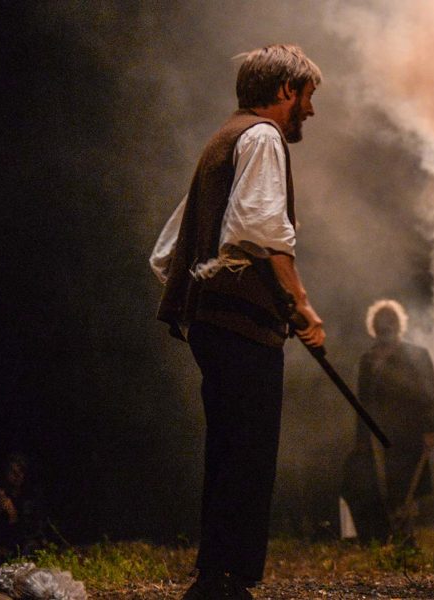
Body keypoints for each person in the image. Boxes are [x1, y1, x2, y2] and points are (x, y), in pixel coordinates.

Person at [150, 44, 327, 600]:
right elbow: (260, 229)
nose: (310, 112)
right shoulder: (262, 137)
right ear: (284, 92)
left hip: (214, 320)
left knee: (230, 447)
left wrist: (199, 291)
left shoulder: (223, 139)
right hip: (239, 322)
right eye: (307, 97)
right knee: (249, 451)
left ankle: (213, 577)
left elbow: (170, 249)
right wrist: (302, 305)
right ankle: (229, 579)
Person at [340, 300, 434, 543]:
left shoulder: (417, 355)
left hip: (409, 431)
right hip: (378, 435)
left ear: (398, 324)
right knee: (377, 486)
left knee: (406, 487)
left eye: (390, 322)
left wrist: (429, 430)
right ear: (374, 327)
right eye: (381, 323)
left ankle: (405, 540)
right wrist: (361, 439)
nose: (386, 327)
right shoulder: (368, 360)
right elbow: (362, 403)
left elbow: (429, 394)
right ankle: (381, 538)